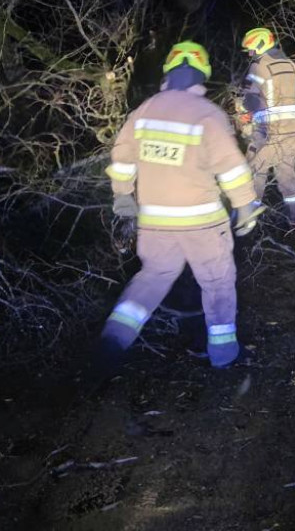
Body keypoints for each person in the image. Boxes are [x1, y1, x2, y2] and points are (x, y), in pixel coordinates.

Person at [98, 41, 262, 371]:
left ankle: (114, 338)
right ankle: (224, 353)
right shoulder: (207, 115)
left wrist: (123, 197)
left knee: (153, 277)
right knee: (217, 283)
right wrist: (245, 205)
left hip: (155, 223)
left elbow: (122, 159)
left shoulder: (144, 112)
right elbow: (230, 168)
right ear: (203, 75)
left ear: (167, 72)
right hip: (202, 223)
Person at [237, 27, 295, 227]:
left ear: (260, 46)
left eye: (250, 50)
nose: (249, 55)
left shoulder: (259, 66)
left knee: (254, 172)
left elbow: (250, 101)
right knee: (287, 178)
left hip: (269, 134)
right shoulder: (291, 65)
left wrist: (243, 109)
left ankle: (247, 221)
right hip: (292, 134)